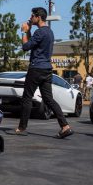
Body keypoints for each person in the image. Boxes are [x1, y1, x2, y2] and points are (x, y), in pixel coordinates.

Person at [15, 7, 73, 139]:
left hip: (36, 68)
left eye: (32, 16)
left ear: (38, 17)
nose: (30, 18)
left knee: (27, 97)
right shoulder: (49, 32)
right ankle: (65, 126)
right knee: (48, 99)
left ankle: (22, 127)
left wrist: (24, 32)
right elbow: (31, 44)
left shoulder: (40, 32)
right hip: (47, 69)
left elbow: (25, 47)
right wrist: (29, 31)